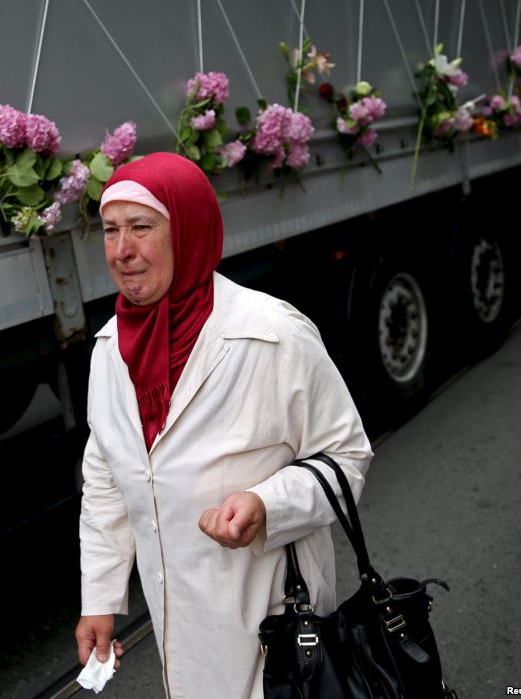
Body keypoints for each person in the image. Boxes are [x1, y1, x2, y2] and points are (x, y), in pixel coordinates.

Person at [74, 152, 373, 698]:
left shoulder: (271, 333)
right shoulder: (112, 347)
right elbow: (108, 477)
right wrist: (100, 596)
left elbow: (347, 456)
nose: (122, 251)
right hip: (183, 638)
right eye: (111, 230)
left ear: (189, 229)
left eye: (142, 227)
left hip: (276, 627)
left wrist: (267, 506)